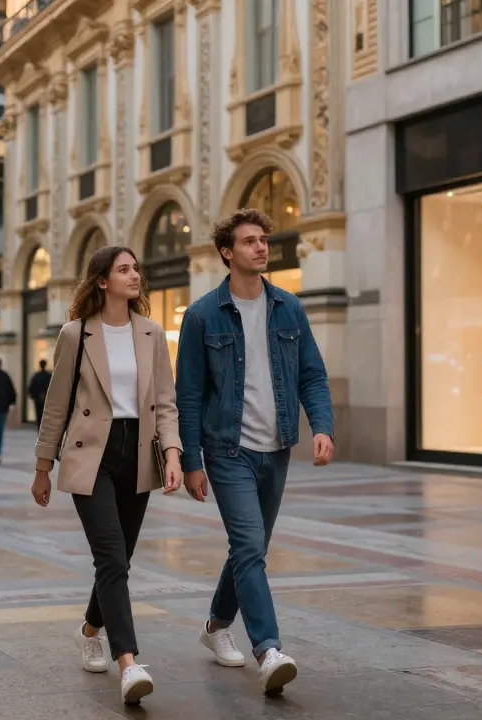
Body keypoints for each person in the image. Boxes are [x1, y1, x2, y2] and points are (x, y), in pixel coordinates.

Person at [175, 208, 334, 695]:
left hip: (278, 445)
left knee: (251, 549)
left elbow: (312, 372)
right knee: (248, 547)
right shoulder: (203, 314)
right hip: (228, 449)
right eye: (249, 241)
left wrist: (321, 425)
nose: (261, 247)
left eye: (263, 240)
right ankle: (269, 650)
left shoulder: (289, 307)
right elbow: (189, 394)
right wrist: (191, 461)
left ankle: (216, 626)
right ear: (227, 252)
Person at [32, 246, 182, 705]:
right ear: (102, 281)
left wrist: (173, 454)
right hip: (89, 455)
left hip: (137, 454)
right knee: (112, 559)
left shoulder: (152, 333)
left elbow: (165, 400)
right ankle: (129, 662)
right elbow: (56, 405)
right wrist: (43, 467)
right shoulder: (76, 334)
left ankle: (91, 628)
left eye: (136, 267)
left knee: (119, 560)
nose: (135, 275)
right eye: (124, 269)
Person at [28, 359, 52, 427]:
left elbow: (31, 388)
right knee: (46, 415)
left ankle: (40, 428)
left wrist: (34, 396)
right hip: (47, 399)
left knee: (39, 416)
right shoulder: (49, 376)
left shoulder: (36, 376)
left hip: (38, 399)